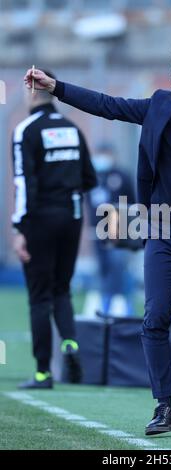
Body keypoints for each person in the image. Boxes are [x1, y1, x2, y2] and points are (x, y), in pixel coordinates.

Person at [24, 40, 171, 436]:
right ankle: (164, 407)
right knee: (154, 319)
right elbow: (107, 105)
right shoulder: (158, 105)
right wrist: (56, 86)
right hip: (163, 228)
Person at [12, 70, 97, 389]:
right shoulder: (72, 129)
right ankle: (70, 343)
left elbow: (24, 183)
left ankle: (43, 373)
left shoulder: (26, 130)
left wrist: (20, 228)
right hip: (72, 216)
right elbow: (90, 178)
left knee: (39, 296)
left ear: (31, 92)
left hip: (40, 219)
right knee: (62, 288)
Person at [88, 143, 136, 316]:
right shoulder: (92, 177)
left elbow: (132, 203)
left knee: (119, 269)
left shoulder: (122, 176)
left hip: (119, 233)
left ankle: (125, 307)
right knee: (104, 270)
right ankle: (104, 307)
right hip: (97, 232)